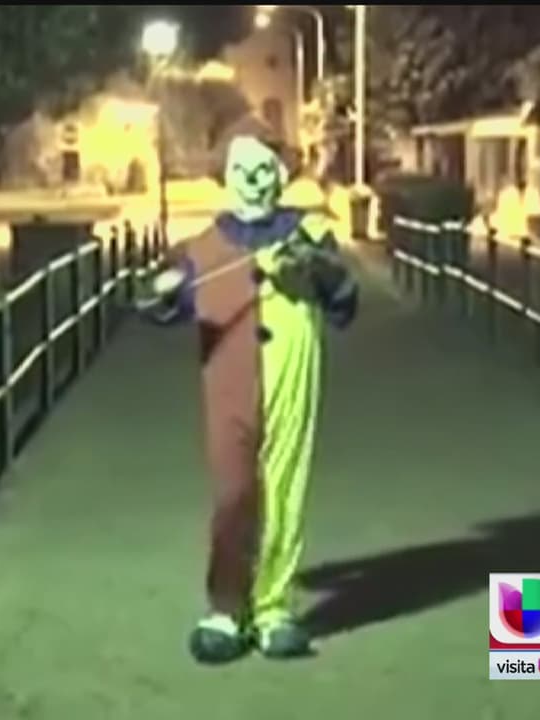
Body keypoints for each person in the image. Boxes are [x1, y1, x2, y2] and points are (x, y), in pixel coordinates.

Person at [136, 129, 359, 664]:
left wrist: (317, 267)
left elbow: (344, 303)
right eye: (243, 171)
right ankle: (226, 607)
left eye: (264, 170)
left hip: (292, 373)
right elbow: (158, 307)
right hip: (227, 377)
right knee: (233, 491)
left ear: (281, 175)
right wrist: (159, 290)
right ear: (226, 178)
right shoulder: (204, 245)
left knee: (285, 487)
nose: (255, 181)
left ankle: (273, 606)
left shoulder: (310, 233)